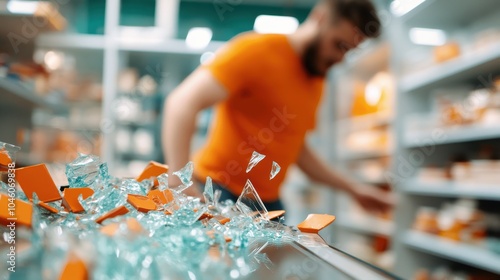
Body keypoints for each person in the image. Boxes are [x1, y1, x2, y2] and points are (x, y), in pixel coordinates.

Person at [162, 0, 394, 213]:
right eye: (339, 45)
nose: (341, 58)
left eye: (349, 51)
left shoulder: (316, 80)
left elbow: (296, 148)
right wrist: (179, 181)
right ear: (320, 18)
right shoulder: (256, 50)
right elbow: (182, 103)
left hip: (268, 205)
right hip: (218, 192)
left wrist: (354, 189)